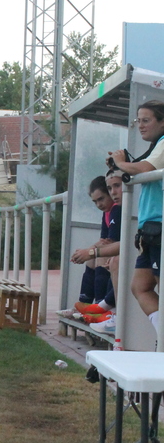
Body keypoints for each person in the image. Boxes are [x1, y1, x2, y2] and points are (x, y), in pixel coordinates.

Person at [107, 100, 164, 334]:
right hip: (150, 229)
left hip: (160, 226)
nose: (140, 126)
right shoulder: (156, 145)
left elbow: (146, 169)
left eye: (146, 120)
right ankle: (162, 334)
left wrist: (121, 163)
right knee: (140, 287)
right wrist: (121, 163)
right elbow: (142, 165)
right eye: (137, 121)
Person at [62, 176, 121, 331]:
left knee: (99, 258)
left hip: (122, 253)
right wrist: (85, 252)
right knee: (91, 260)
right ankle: (85, 305)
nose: (99, 204)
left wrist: (89, 252)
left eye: (101, 199)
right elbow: (103, 240)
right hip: (114, 249)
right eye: (95, 202)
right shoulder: (107, 212)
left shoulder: (117, 209)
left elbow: (112, 242)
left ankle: (101, 309)